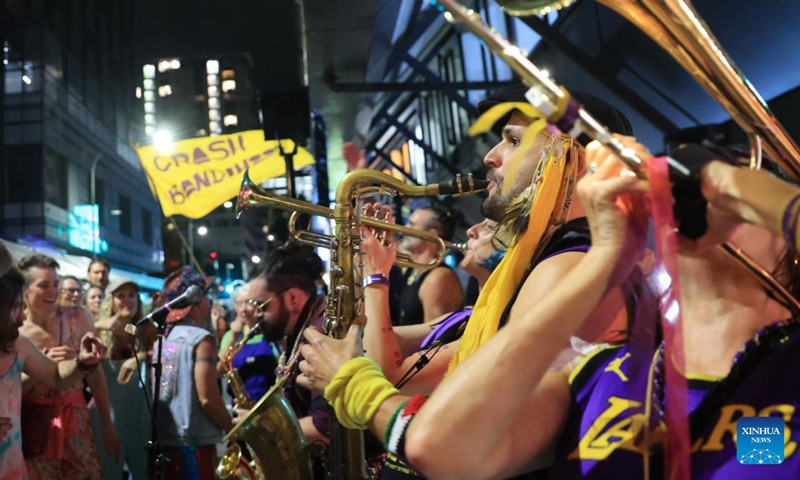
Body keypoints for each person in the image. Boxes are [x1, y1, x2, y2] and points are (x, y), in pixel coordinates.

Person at [296, 85, 637, 478]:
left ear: (572, 161)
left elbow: (473, 441)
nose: (491, 156)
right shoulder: (554, 263)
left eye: (512, 140)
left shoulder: (566, 269)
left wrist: (350, 382)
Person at [0, 245, 109, 480]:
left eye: (55, 284)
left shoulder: (20, 344)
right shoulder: (20, 335)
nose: (53, 291)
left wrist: (82, 361)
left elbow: (59, 376)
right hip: (35, 431)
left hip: (20, 462)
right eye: (44, 285)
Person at [154, 266, 232, 480]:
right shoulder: (201, 338)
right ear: (197, 301)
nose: (209, 302)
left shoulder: (163, 340)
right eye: (206, 296)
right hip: (194, 445)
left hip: (167, 443)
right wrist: (234, 430)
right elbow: (207, 398)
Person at [91, 278, 154, 479]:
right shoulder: (99, 331)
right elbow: (78, 334)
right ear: (111, 301)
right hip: (107, 417)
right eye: (120, 296)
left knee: (144, 473)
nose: (127, 300)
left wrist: (140, 357)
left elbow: (165, 350)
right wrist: (102, 324)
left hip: (140, 416)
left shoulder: (146, 328)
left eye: (131, 295)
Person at [217, 281, 281, 406]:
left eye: (248, 302)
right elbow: (219, 372)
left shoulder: (271, 333)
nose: (244, 309)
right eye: (239, 303)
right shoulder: (230, 336)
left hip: (272, 405)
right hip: (242, 407)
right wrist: (233, 338)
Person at [397, 205, 464, 325]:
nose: (402, 230)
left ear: (431, 234)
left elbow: (431, 339)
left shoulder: (438, 278)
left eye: (412, 224)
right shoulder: (416, 266)